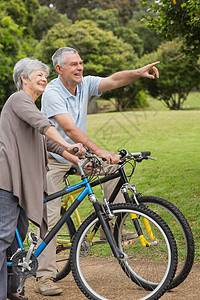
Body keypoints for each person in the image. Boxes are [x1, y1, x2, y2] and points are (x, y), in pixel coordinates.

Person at [35, 47, 160, 296]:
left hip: (78, 153)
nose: (80, 67)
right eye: (73, 64)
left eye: (80, 63)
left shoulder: (85, 84)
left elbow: (114, 80)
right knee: (50, 219)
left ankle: (110, 225)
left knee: (114, 166)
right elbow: (68, 129)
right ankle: (44, 277)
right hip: (54, 157)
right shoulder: (51, 92)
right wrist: (98, 150)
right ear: (59, 69)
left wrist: (137, 72)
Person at [0, 58, 86, 300]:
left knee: (15, 243)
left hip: (23, 183)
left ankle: (12, 290)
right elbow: (44, 126)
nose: (43, 79)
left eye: (45, 76)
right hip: (8, 180)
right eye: (38, 75)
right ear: (23, 79)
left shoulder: (30, 105)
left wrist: (74, 156)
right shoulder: (19, 99)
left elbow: (45, 140)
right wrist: (69, 143)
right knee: (3, 238)